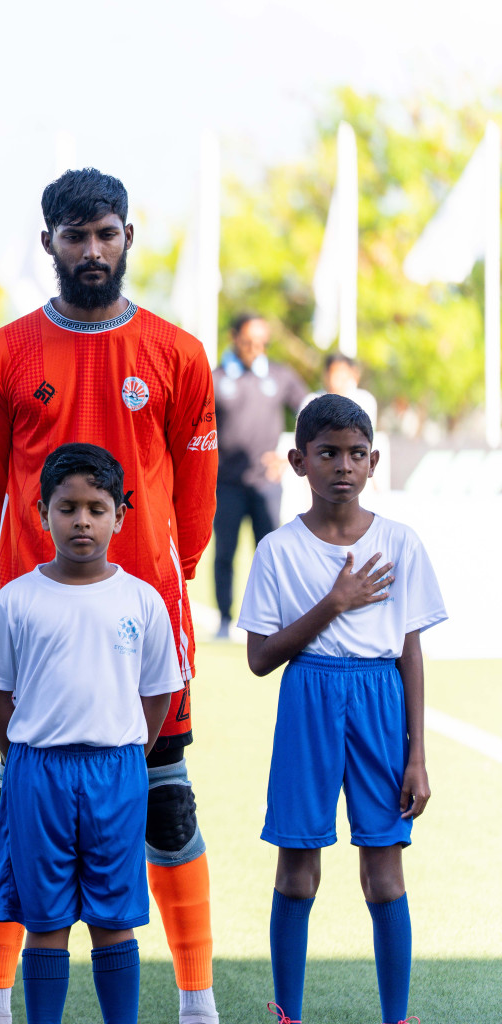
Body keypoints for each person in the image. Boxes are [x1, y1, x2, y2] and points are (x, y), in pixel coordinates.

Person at [0, 169, 220, 1024]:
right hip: (40, 617)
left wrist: (163, 575)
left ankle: (195, 996)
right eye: (74, 236)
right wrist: (10, 581)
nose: (92, 250)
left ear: (127, 237)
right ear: (48, 244)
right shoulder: (2, 354)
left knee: (168, 804)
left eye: (105, 233)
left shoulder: (177, 353)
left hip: (141, 609)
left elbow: (198, 487)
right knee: (18, 805)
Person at [238, 395, 445, 1024]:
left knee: (383, 872)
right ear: (300, 461)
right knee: (298, 868)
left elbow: (409, 651)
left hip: (380, 702)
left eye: (357, 454)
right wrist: (334, 603)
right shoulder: (278, 550)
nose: (343, 466)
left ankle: (397, 1015)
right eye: (328, 453)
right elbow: (259, 657)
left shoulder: (400, 542)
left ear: (374, 460)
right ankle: (288, 1013)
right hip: (309, 698)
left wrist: (417, 755)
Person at [0, 443, 182, 1024]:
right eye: (68, 508)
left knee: (114, 919)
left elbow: (158, 692)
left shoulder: (141, 600)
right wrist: (18, 754)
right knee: (45, 920)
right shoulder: (17, 599)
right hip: (37, 771)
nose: (82, 521)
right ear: (41, 511)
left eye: (97, 507)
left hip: (116, 771)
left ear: (120, 514)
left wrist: (128, 751)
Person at [212, 312, 309, 640]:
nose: (256, 348)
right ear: (234, 338)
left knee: (269, 554)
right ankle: (224, 620)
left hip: (266, 483)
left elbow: (312, 413)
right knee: (224, 552)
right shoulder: (216, 377)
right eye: (250, 341)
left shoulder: (281, 376)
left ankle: (272, 622)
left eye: (262, 343)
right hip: (225, 483)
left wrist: (289, 454)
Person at [304, 352, 378, 425]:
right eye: (334, 373)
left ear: (353, 373)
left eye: (341, 374)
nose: (336, 380)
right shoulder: (311, 402)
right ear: (326, 374)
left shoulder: (365, 400)